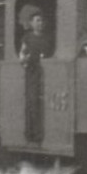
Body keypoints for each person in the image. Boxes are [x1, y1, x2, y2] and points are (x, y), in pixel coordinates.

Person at [19, 11, 52, 144]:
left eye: (42, 21)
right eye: (37, 21)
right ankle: (32, 134)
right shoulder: (27, 38)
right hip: (32, 72)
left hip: (45, 71)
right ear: (32, 23)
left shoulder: (47, 38)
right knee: (33, 101)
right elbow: (22, 56)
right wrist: (26, 59)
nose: (40, 23)